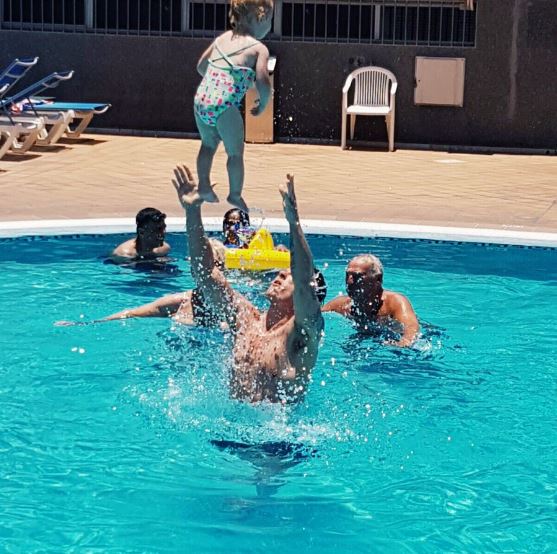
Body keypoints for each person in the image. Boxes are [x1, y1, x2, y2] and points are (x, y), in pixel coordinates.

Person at [172, 165, 325, 404]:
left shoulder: (302, 333)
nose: (280, 277)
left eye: (288, 276)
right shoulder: (245, 318)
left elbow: (304, 282)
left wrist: (294, 223)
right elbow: (205, 274)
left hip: (279, 440)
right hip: (228, 437)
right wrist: (193, 212)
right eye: (281, 273)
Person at [193, 0, 274, 212]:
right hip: (224, 105)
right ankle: (235, 194)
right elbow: (263, 81)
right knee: (235, 153)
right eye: (270, 19)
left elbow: (201, 66)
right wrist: (264, 101)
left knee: (208, 144)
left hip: (202, 99)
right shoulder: (259, 49)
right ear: (261, 17)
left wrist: (218, 82)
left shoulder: (222, 39)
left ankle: (203, 186)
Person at [322, 254, 420, 347]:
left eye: (357, 276)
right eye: (347, 275)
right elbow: (312, 316)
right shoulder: (340, 305)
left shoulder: (395, 303)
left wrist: (403, 343)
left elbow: (411, 328)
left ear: (378, 279)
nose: (349, 282)